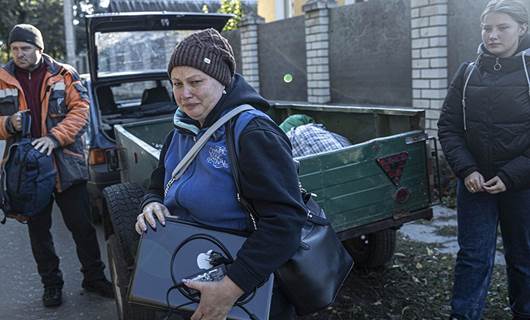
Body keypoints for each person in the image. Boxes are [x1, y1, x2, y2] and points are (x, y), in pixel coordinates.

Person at [134, 28, 307, 320]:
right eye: (176, 83)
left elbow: (285, 222)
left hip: (244, 284)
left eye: (195, 81)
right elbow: (158, 184)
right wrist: (151, 203)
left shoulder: (253, 133)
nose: (184, 93)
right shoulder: (180, 132)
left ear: (222, 81)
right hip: (188, 265)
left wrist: (231, 286)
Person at [0, 24, 113, 307]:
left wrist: (55, 138)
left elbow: (82, 111)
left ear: (40, 49)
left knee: (82, 227)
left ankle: (94, 278)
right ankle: (51, 284)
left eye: (25, 48)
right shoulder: (1, 78)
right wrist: (6, 124)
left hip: (64, 165)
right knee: (39, 232)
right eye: (14, 49)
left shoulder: (64, 73)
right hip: (27, 172)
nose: (19, 54)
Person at [437, 1, 530, 319]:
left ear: (522, 28)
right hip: (475, 185)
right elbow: (448, 127)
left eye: (502, 27)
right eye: (487, 28)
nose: (493, 35)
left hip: (522, 185)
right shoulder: (467, 73)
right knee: (473, 258)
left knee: (524, 259)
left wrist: (511, 175)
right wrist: (467, 170)